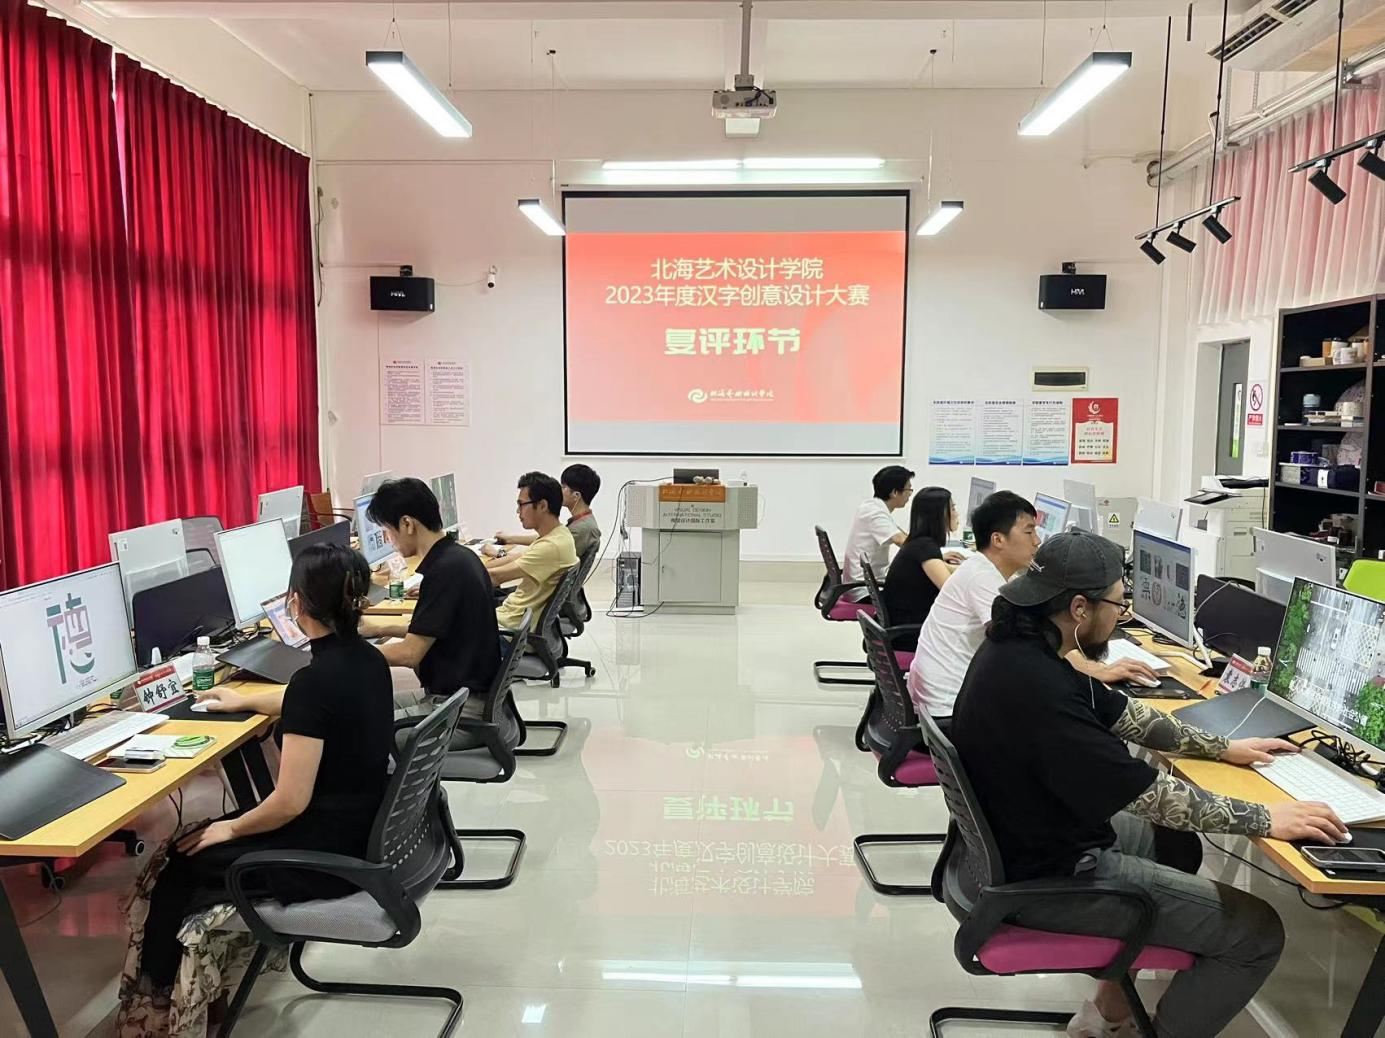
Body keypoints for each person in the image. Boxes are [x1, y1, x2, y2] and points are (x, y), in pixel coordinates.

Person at [947, 529, 1346, 1038]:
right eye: (1118, 603)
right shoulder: (1040, 689)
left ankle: (1106, 1013)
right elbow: (1153, 797)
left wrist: (1222, 747)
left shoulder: (1021, 649)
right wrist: (1267, 817)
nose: (1122, 614)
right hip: (1047, 881)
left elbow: (1127, 715)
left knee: (1174, 845)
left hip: (1017, 847)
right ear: (1078, 608)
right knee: (1256, 933)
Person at [132, 543, 393, 1005]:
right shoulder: (368, 661)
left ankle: (157, 1003)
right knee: (204, 839)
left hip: (325, 855)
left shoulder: (315, 683)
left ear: (295, 603)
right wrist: (246, 699)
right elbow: (314, 702)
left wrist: (231, 828)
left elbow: (289, 802)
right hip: (363, 828)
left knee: (182, 860)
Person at [358, 478, 500, 721]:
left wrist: (348, 654)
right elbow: (432, 629)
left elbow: (409, 654)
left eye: (388, 530)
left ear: (407, 524)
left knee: (350, 730)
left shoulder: (444, 572)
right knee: (356, 711)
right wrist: (379, 629)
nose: (388, 539)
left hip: (460, 710)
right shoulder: (458, 557)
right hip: (461, 698)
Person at [907, 490, 1037, 724]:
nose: (1037, 541)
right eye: (1029, 532)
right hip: (948, 712)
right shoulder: (983, 578)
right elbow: (1019, 646)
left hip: (939, 699)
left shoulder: (980, 567)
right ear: (998, 539)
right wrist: (1089, 667)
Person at [488, 471, 578, 630]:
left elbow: (494, 577)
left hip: (509, 630)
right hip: (512, 619)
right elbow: (516, 557)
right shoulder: (559, 534)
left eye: (521, 504)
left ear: (543, 505)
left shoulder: (551, 546)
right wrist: (476, 563)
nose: (518, 511)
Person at [881, 486, 965, 634]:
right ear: (939, 515)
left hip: (903, 624)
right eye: (952, 509)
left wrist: (974, 567)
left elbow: (946, 569)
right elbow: (951, 592)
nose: (956, 513)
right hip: (910, 633)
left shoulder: (918, 542)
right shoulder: (925, 547)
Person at [492, 463, 603, 560]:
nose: (559, 490)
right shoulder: (583, 522)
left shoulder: (581, 529)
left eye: (563, 487)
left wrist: (498, 553)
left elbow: (542, 554)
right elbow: (547, 539)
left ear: (576, 496)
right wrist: (510, 539)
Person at [841, 465, 914, 600]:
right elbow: (900, 540)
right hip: (866, 590)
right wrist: (932, 555)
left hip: (869, 583)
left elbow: (902, 535)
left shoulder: (872, 507)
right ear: (894, 492)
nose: (910, 494)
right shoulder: (875, 513)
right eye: (908, 489)